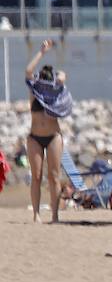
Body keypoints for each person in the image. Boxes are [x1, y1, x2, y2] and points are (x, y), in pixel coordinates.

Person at [24, 40, 73, 223]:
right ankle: (36, 214)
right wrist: (42, 52)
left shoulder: (56, 92)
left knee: (54, 175)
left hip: (54, 137)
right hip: (35, 137)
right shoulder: (34, 90)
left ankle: (54, 214)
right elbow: (28, 71)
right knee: (36, 176)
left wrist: (59, 77)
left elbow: (62, 76)